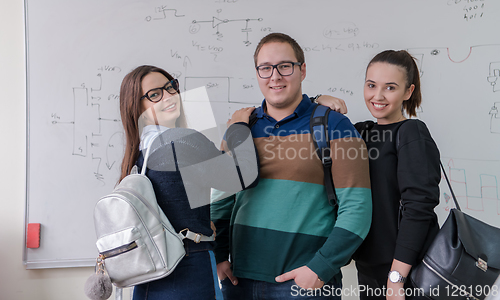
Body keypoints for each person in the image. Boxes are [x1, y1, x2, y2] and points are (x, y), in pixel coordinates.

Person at [211, 33, 372, 300]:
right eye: (266, 68)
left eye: (285, 66)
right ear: (258, 73)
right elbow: (220, 202)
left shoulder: (335, 125)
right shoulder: (240, 127)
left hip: (304, 284)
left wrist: (319, 268)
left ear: (302, 69)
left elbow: (357, 208)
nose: (275, 76)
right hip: (239, 282)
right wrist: (217, 256)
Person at [118, 65, 259, 300]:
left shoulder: (140, 152)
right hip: (187, 271)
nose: (169, 96)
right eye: (155, 95)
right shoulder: (182, 141)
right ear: (137, 106)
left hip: (149, 281)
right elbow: (245, 176)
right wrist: (238, 127)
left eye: (170, 87)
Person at [322, 50, 440, 299]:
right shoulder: (361, 132)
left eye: (390, 88)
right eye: (371, 85)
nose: (378, 96)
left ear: (408, 92)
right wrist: (318, 100)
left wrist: (397, 277)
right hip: (369, 269)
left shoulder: (411, 132)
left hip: (408, 272)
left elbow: (419, 207)